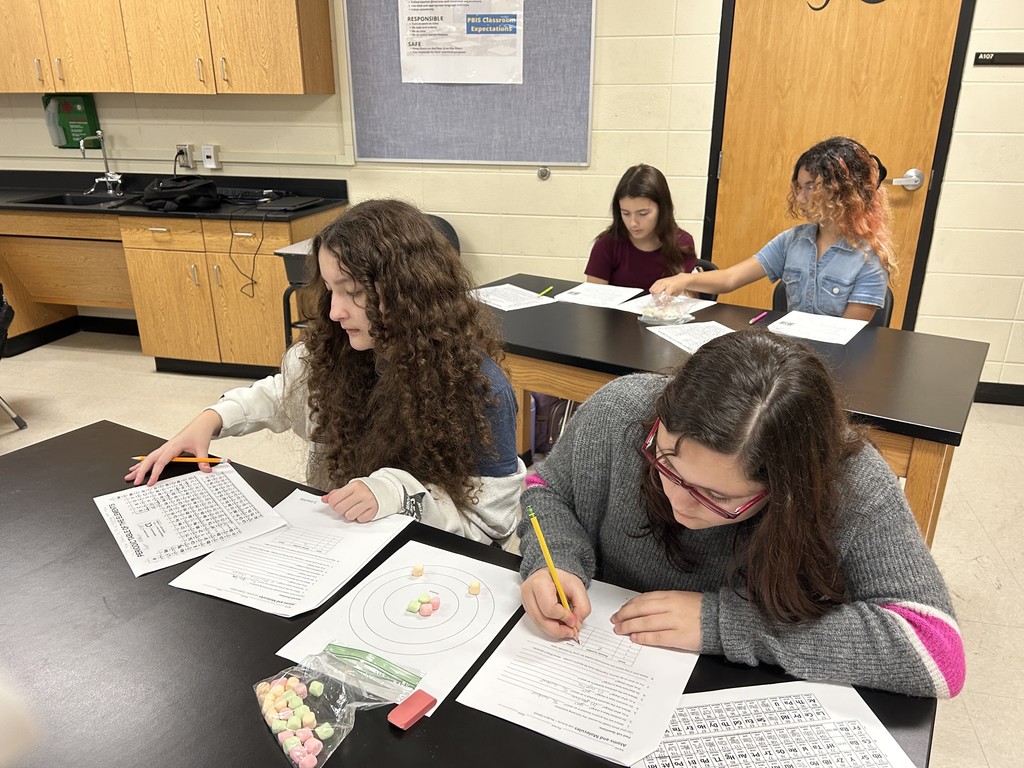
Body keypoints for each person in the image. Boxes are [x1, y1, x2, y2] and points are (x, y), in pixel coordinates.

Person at [518, 329, 964, 698]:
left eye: (716, 496)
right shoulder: (623, 411)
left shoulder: (849, 482)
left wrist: (724, 624)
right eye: (667, 464)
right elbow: (547, 487)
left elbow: (936, 650)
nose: (680, 502)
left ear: (787, 489)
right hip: (600, 673)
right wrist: (554, 560)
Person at [126, 199, 526, 546]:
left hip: (421, 562)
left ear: (410, 292)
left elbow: (490, 524)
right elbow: (286, 393)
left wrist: (396, 493)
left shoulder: (476, 386)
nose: (335, 312)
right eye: (331, 290)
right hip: (342, 543)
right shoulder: (339, 349)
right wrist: (212, 419)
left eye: (354, 292)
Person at [650, 137, 896, 321]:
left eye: (811, 187)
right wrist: (685, 279)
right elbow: (730, 278)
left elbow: (846, 335)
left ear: (844, 191)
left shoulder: (870, 258)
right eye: (799, 188)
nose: (800, 199)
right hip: (795, 357)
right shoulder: (793, 241)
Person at [585, 163, 697, 290]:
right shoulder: (607, 244)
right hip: (615, 310)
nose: (633, 223)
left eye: (643, 214)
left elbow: (685, 299)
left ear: (662, 209)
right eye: (625, 213)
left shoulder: (682, 243)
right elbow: (592, 300)